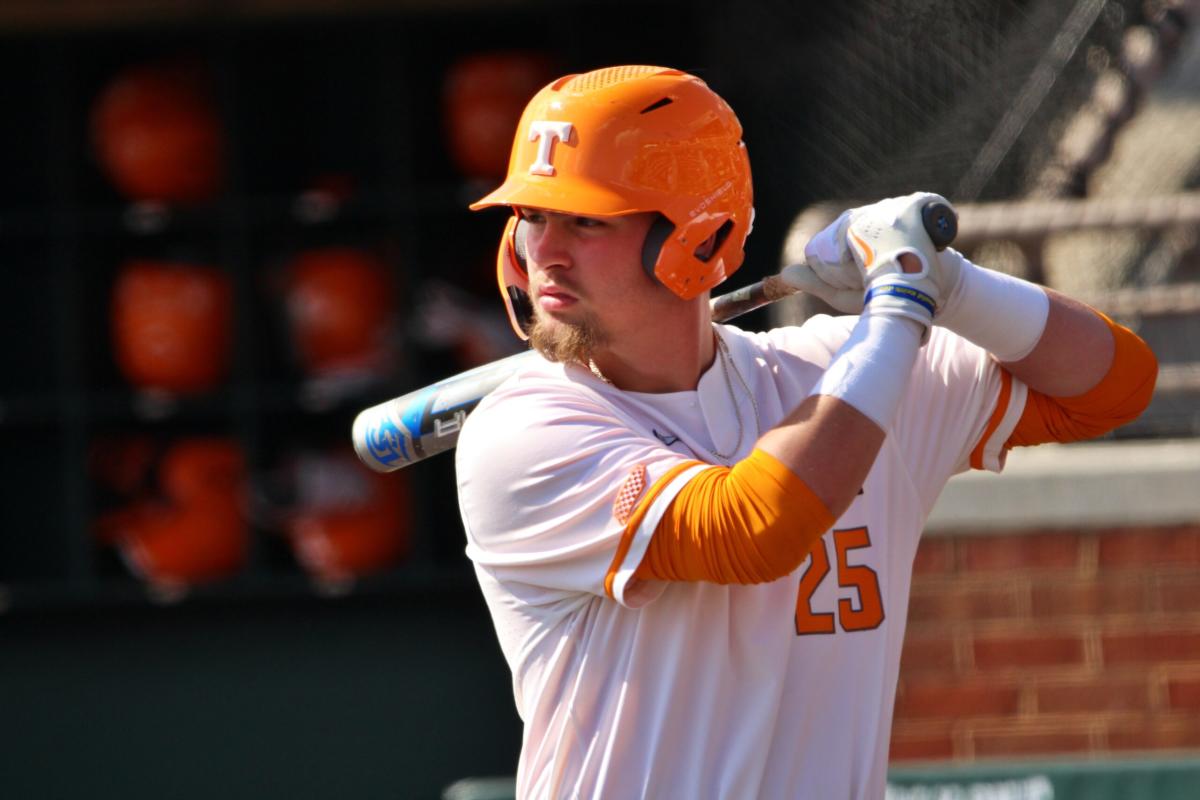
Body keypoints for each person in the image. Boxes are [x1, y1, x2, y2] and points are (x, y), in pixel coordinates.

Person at [455, 65, 1157, 799]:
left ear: (697, 235)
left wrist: (952, 286)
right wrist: (897, 311)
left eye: (586, 221)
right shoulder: (523, 432)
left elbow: (1114, 386)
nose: (545, 254)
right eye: (533, 216)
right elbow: (753, 525)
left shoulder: (836, 370)